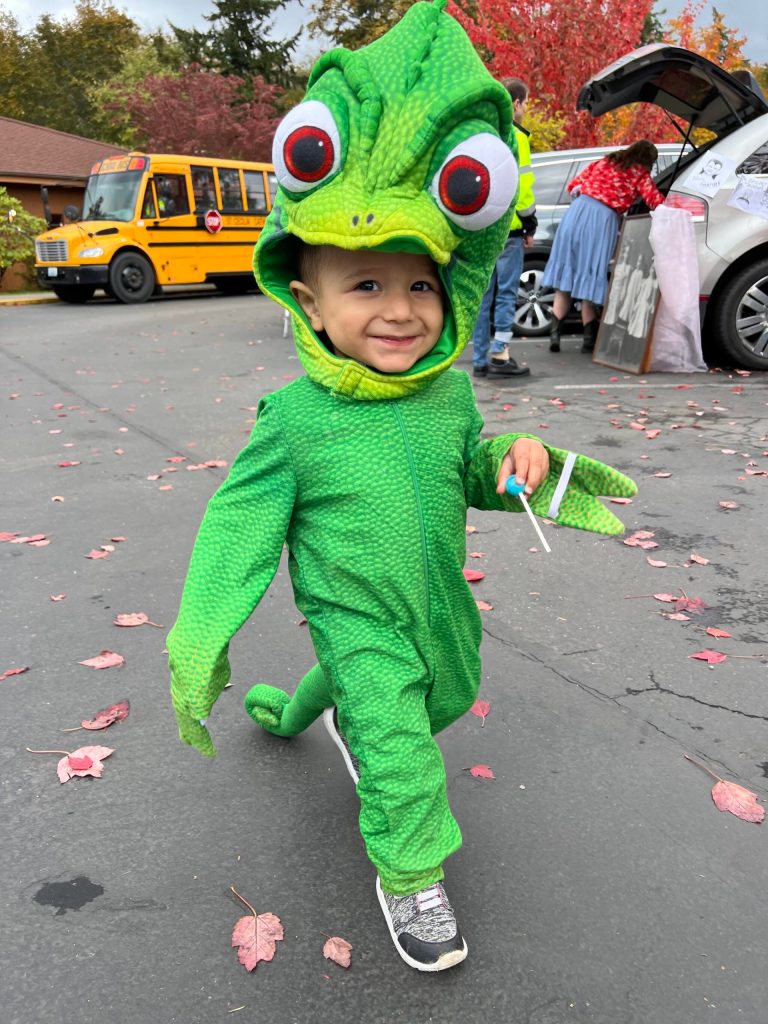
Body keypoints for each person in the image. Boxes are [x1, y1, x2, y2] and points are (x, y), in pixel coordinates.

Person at [166, 0, 637, 975]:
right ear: (309, 298)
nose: (399, 309)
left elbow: (473, 474)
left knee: (437, 693)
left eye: (418, 284)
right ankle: (410, 872)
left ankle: (302, 709)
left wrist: (522, 466)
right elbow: (236, 528)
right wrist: (201, 630)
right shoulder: (295, 422)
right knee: (395, 738)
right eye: (365, 285)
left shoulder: (448, 398)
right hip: (354, 615)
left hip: (433, 607)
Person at [543, 140, 665, 355]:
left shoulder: (605, 162)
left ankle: (555, 336)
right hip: (602, 220)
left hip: (576, 213)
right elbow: (654, 200)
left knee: (565, 278)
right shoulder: (640, 174)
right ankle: (588, 340)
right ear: (648, 160)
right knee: (590, 274)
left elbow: (574, 185)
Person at [471, 77, 537, 379]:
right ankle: (501, 355)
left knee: (483, 297)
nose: (525, 110)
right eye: (525, 103)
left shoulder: (482, 132)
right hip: (508, 231)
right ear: (516, 104)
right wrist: (529, 222)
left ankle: (480, 359)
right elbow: (523, 188)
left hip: (482, 230)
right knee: (507, 294)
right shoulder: (517, 137)